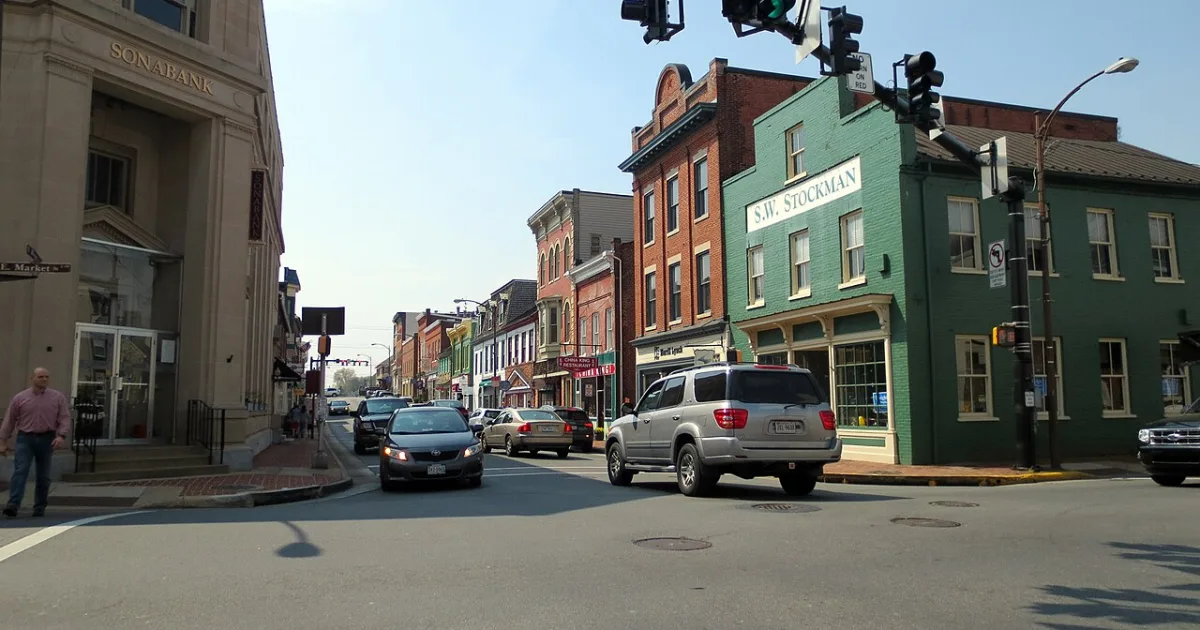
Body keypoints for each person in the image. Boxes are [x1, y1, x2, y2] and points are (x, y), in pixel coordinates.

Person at [0, 368, 71, 518]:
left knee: (43, 475)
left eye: (46, 377)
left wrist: (61, 436)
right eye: (40, 377)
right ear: (32, 378)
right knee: (20, 471)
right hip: (25, 438)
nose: (44, 379)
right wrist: (3, 441)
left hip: (47, 438)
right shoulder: (20, 398)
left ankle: (39, 506)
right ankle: (13, 504)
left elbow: (64, 418)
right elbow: (10, 420)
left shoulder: (57, 397)